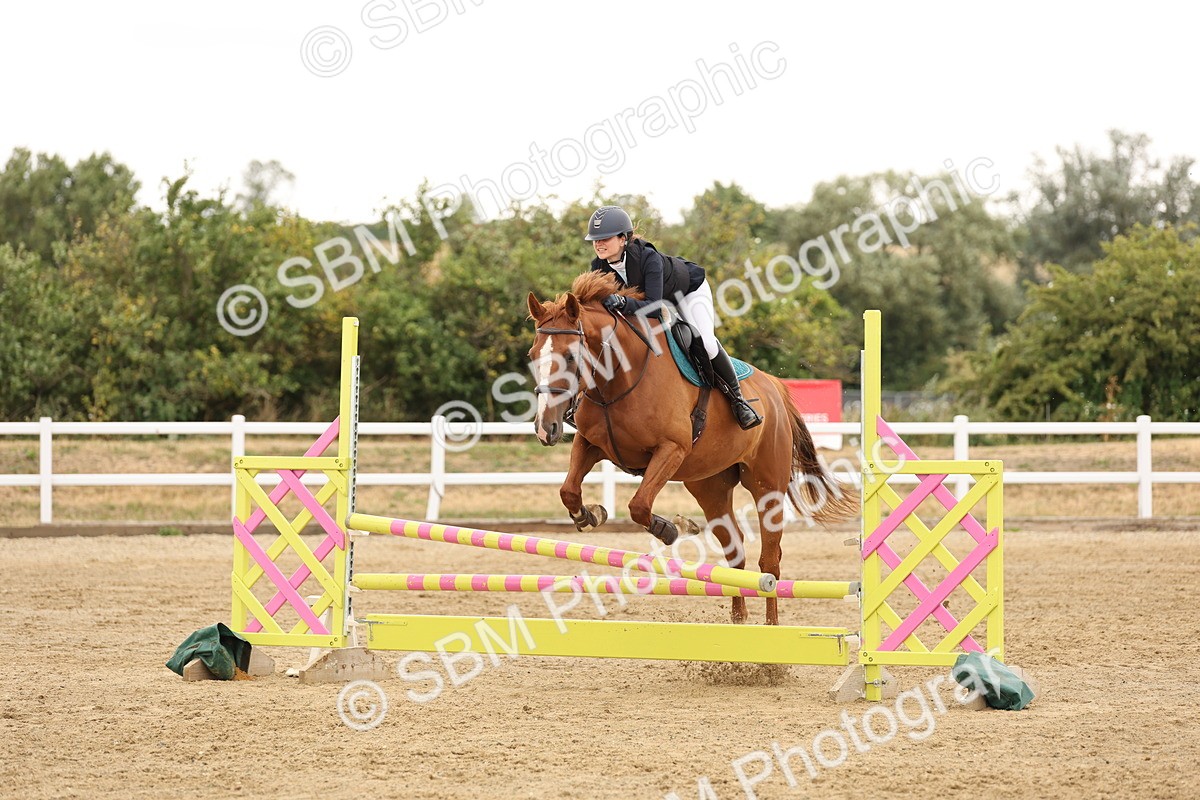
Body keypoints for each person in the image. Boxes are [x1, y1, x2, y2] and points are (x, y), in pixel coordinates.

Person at [583, 205, 762, 430]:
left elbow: (654, 308)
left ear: (622, 239)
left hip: (688, 291)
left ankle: (738, 401)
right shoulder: (598, 266)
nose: (598, 244)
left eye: (605, 238)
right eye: (595, 240)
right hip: (658, 301)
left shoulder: (648, 258)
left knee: (705, 343)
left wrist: (622, 302)